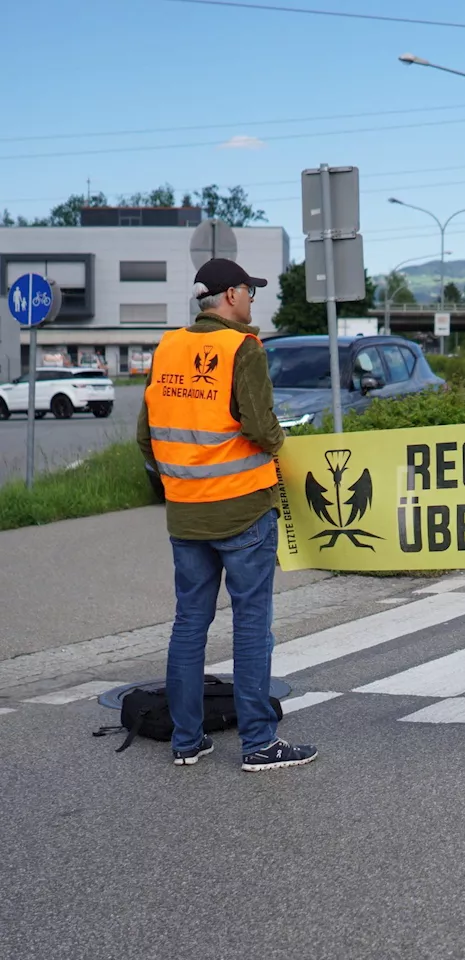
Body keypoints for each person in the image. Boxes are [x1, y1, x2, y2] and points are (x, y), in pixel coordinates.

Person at [137, 258, 317, 772]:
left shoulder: (167, 347)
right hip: (242, 512)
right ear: (232, 294)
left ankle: (186, 741)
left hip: (186, 516)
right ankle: (259, 743)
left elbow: (144, 438)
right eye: (250, 292)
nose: (252, 301)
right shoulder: (244, 349)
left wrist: (182, 476)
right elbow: (261, 426)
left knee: (190, 624)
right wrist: (283, 448)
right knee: (252, 625)